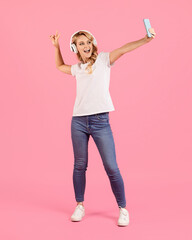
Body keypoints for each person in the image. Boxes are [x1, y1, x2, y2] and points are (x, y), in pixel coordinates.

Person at [49, 27, 156, 226]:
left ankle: (123, 208)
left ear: (93, 44)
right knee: (79, 165)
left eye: (88, 42)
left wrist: (144, 39)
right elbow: (59, 66)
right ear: (76, 48)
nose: (86, 46)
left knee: (111, 167)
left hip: (100, 122)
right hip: (78, 122)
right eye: (81, 43)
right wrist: (56, 47)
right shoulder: (77, 69)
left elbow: (124, 49)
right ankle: (79, 205)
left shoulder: (104, 60)